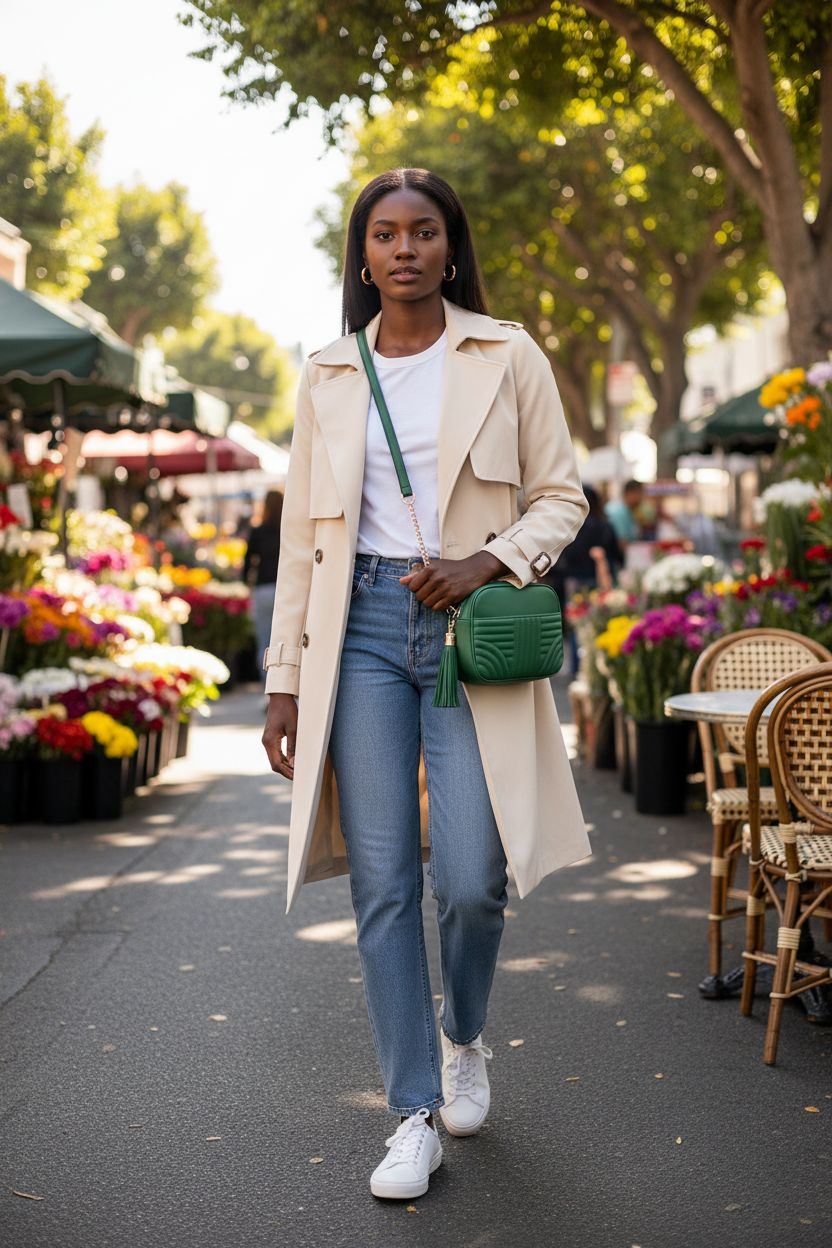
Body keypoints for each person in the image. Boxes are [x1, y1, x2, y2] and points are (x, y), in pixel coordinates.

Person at [261, 168, 590, 1201]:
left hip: (467, 633)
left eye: (423, 231)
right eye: (384, 234)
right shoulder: (327, 374)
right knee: (385, 882)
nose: (403, 249)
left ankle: (464, 1034)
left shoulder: (506, 353)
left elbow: (561, 497)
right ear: (363, 256)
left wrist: (486, 561)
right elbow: (302, 541)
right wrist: (283, 681)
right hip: (356, 630)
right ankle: (411, 1112)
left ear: (451, 248)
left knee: (473, 877)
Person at [243, 489, 283, 676]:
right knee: (286, 642)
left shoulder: (258, 531)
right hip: (284, 589)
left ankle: (267, 687)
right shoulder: (288, 530)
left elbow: (248, 561)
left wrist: (246, 583)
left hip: (263, 588)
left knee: (264, 642)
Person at [605, 477, 644, 546]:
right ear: (629, 493)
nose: (641, 497)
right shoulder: (619, 512)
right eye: (639, 493)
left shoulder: (628, 510)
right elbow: (622, 542)